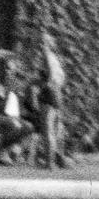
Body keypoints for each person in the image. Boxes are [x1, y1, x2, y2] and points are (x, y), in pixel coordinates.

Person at [0, 55, 35, 164]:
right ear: (2, 68)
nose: (9, 71)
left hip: (5, 116)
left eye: (11, 70)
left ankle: (1, 149)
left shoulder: (10, 85)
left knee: (29, 127)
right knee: (15, 125)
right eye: (7, 68)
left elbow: (16, 103)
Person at [36, 31, 67, 169]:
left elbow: (50, 76)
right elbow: (61, 78)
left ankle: (50, 163)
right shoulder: (55, 57)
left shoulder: (47, 56)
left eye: (42, 42)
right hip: (57, 94)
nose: (40, 44)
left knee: (47, 129)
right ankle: (53, 161)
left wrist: (42, 85)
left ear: (48, 44)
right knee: (54, 129)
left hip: (48, 95)